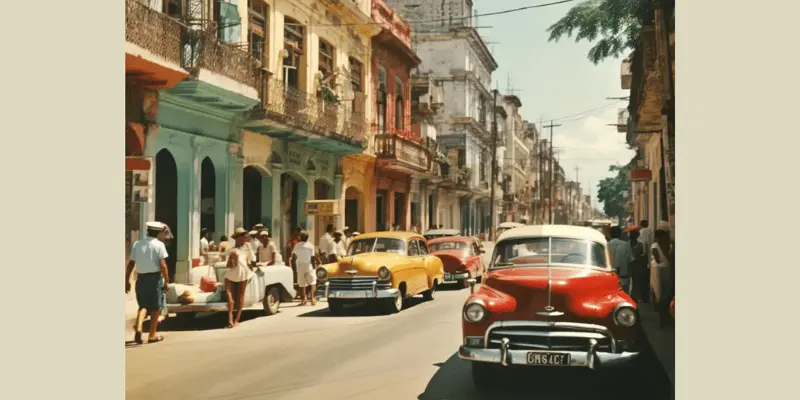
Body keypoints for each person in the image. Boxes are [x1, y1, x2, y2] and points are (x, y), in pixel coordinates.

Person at [125, 221, 171, 344]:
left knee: (143, 306)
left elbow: (131, 264)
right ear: (158, 233)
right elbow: (163, 265)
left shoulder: (137, 244)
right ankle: (152, 335)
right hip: (155, 279)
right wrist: (166, 281)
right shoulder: (159, 245)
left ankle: (139, 326)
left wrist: (126, 280)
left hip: (141, 278)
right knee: (155, 309)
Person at [225, 228, 255, 328]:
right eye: (243, 236)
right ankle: (234, 320)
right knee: (239, 295)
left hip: (235, 272)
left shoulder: (234, 249)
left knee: (233, 295)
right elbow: (252, 259)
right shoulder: (245, 247)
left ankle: (232, 319)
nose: (244, 238)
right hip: (242, 272)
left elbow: (228, 264)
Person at [651, 228, 673, 328]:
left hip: (661, 270)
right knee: (663, 295)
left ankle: (664, 319)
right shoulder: (659, 246)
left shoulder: (657, 246)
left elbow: (658, 260)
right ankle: (664, 319)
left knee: (663, 295)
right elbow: (660, 260)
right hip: (662, 270)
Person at [291, 231, 318, 306]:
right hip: (309, 265)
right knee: (312, 282)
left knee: (302, 283)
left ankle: (304, 300)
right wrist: (314, 268)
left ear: (300, 237)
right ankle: (312, 298)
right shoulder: (311, 246)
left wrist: (294, 269)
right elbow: (313, 258)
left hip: (300, 266)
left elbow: (293, 258)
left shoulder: (297, 245)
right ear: (307, 237)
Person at [608, 226, 634, 294]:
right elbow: (631, 261)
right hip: (624, 279)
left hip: (609, 279)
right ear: (620, 234)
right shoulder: (626, 245)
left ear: (610, 234)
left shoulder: (606, 245)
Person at [629, 230, 649, 303]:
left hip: (637, 265)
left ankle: (634, 296)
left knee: (636, 282)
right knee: (630, 281)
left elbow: (642, 254)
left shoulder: (640, 244)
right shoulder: (627, 244)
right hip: (629, 265)